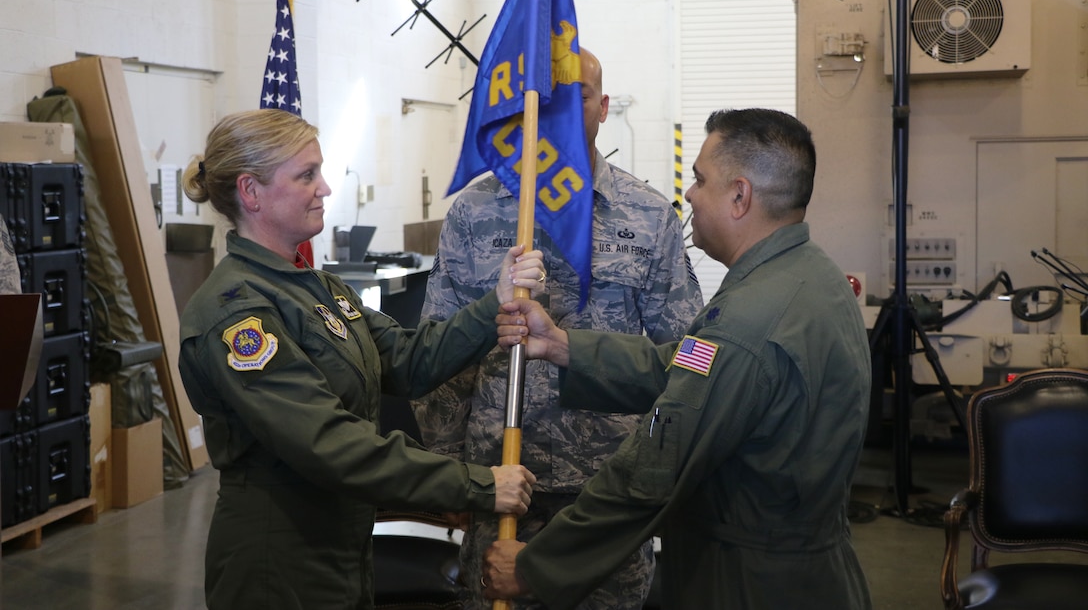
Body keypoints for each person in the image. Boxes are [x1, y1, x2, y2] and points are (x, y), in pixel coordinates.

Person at [485, 108, 874, 609]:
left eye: (700, 179)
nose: (689, 194)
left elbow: (652, 471)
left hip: (746, 583)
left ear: (740, 196)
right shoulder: (810, 277)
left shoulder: (748, 322)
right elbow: (684, 370)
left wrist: (535, 567)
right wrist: (563, 346)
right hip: (808, 573)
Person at [176, 108, 543, 610]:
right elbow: (329, 444)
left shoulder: (318, 288)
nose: (324, 188)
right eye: (306, 175)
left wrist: (494, 305)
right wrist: (477, 485)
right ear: (251, 191)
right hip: (278, 559)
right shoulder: (238, 313)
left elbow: (409, 360)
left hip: (342, 545)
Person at [410, 47, 703, 609]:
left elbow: (684, 355)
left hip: (607, 494)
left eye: (579, 96)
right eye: (546, 100)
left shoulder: (648, 216)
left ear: (603, 108)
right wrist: (450, 475)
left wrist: (660, 475)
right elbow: (439, 352)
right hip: (498, 481)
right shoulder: (475, 213)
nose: (561, 112)